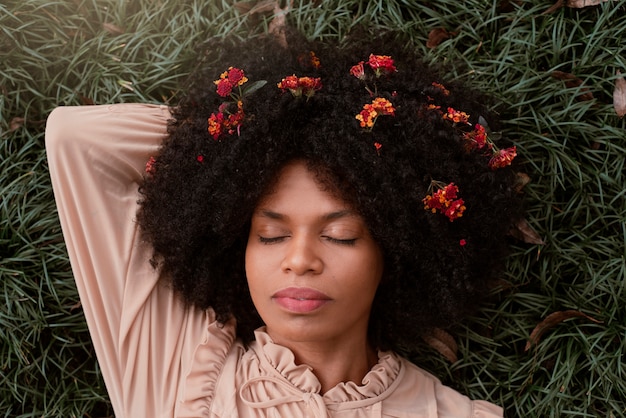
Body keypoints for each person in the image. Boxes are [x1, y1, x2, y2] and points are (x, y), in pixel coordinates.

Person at [46, 31, 522, 417]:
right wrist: (253, 129)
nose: (299, 260)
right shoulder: (181, 370)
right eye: (270, 234)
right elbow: (79, 141)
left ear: (395, 251)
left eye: (340, 234)